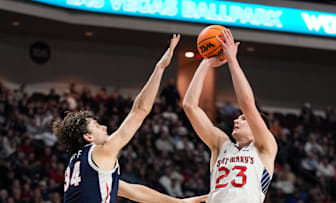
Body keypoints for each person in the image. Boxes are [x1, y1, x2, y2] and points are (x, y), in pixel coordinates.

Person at [53, 34, 207, 203]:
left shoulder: (79, 164)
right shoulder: (100, 152)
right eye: (96, 126)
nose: (104, 127)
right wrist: (160, 68)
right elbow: (139, 110)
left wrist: (179, 202)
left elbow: (134, 192)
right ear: (88, 137)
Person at [183, 29, 278, 203]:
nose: (236, 120)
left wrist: (232, 60)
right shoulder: (221, 145)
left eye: (243, 119)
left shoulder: (264, 148)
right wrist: (206, 62)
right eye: (238, 118)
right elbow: (190, 106)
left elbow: (248, 104)